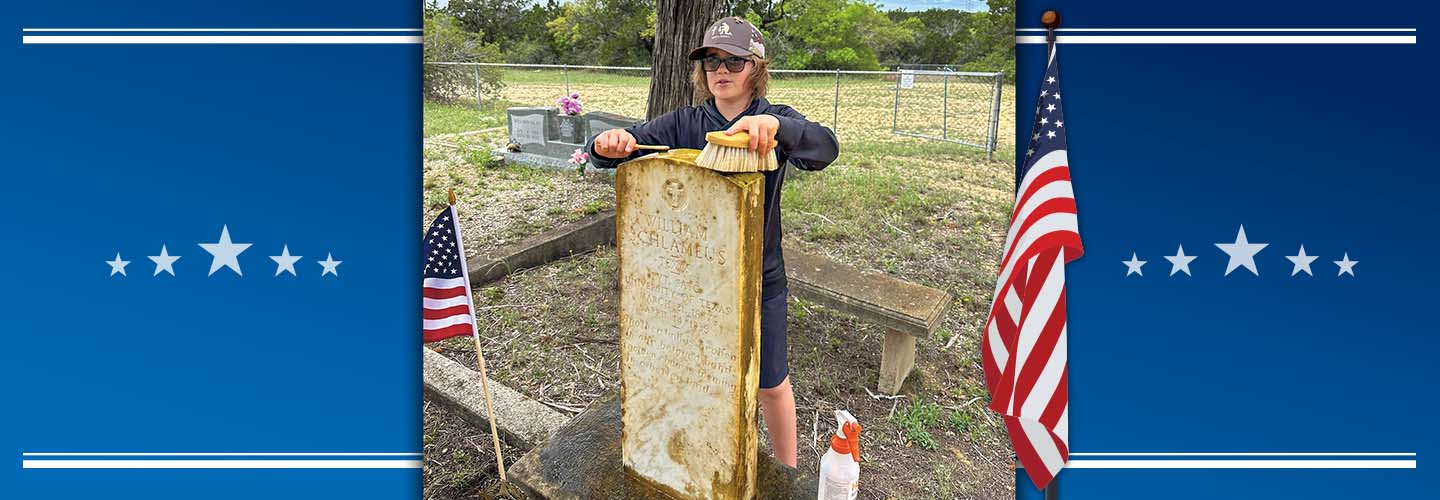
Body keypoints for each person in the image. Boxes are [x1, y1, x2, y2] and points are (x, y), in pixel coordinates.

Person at [587, 16, 839, 468]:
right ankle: (697, 455)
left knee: (770, 382)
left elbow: (827, 147)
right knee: (701, 373)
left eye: (734, 61)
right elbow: (623, 147)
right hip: (694, 282)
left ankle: (787, 471)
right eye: (710, 60)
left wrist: (779, 130)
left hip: (761, 278)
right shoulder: (684, 122)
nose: (720, 70)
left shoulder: (776, 121)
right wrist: (608, 143)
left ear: (756, 68)